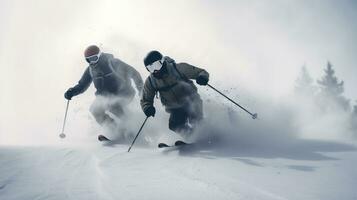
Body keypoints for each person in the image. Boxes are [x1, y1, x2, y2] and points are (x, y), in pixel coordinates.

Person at [64, 45, 143, 137]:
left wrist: (140, 88)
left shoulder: (113, 63)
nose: (92, 62)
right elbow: (82, 85)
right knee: (95, 109)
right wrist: (72, 92)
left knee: (114, 105)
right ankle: (115, 130)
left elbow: (134, 73)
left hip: (124, 92)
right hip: (105, 96)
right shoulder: (91, 70)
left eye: (94, 58)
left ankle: (133, 129)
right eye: (89, 60)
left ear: (100, 55)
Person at [140, 50, 209, 137]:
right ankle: (192, 137)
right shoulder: (151, 81)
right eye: (150, 68)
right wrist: (147, 108)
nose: (155, 71)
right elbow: (146, 99)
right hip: (175, 107)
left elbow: (200, 72)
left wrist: (202, 77)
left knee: (195, 120)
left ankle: (206, 135)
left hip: (191, 100)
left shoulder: (178, 68)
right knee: (175, 125)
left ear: (162, 62)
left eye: (156, 65)